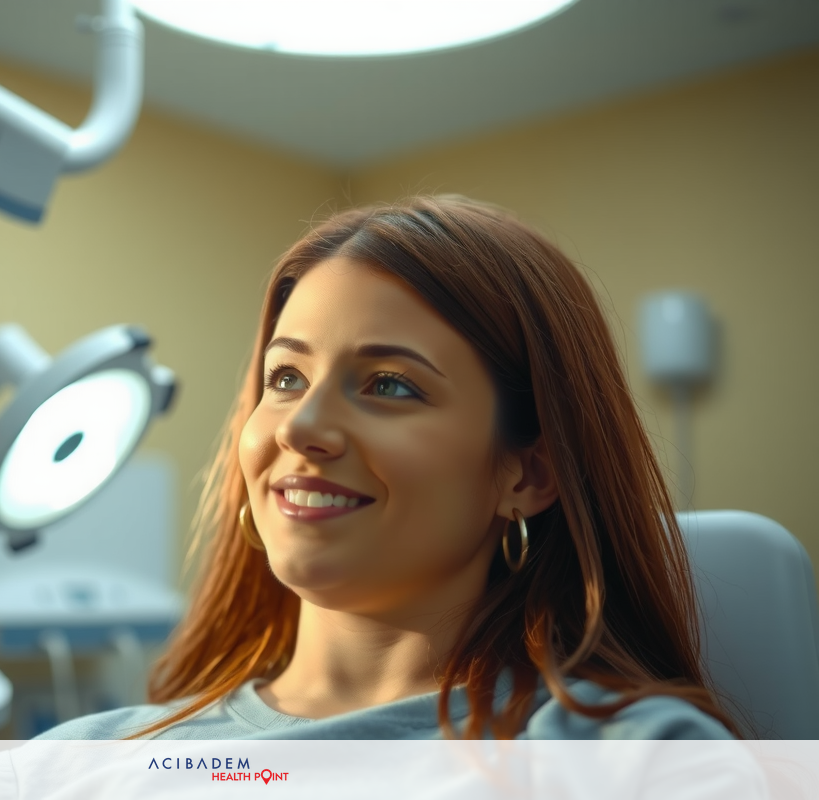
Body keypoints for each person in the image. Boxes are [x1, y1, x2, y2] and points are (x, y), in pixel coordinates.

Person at [37, 194, 738, 741]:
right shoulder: (69, 766)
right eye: (285, 378)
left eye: (390, 385)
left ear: (526, 476)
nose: (301, 428)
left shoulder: (635, 760)